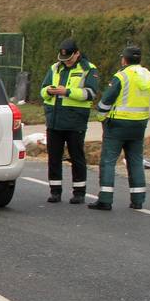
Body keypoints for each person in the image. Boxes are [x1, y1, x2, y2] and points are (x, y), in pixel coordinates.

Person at [88, 44, 150, 211]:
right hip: (139, 124)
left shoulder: (122, 76)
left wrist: (101, 116)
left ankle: (105, 199)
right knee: (135, 161)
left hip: (117, 125)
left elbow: (107, 100)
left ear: (124, 60)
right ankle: (138, 199)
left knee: (108, 161)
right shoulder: (149, 76)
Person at [39, 38, 99, 203]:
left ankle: (79, 192)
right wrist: (49, 91)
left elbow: (91, 93)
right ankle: (55, 191)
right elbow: (42, 89)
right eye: (63, 58)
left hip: (75, 121)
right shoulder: (55, 67)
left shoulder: (88, 69)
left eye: (69, 58)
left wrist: (67, 92)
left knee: (77, 157)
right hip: (55, 120)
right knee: (54, 157)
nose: (66, 61)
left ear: (77, 53)